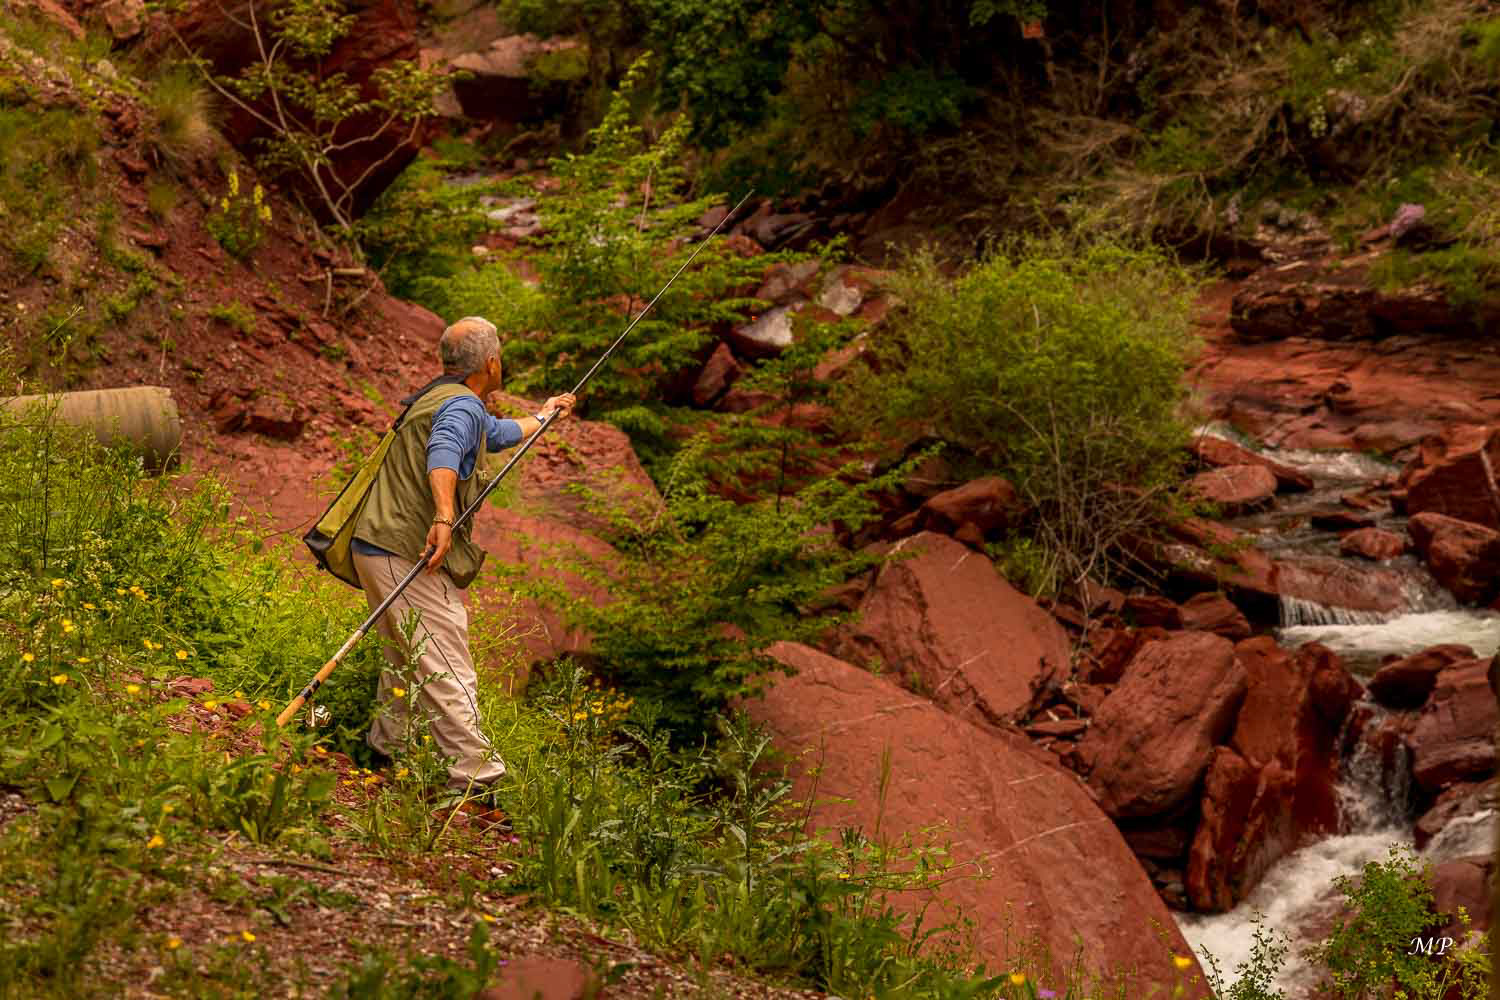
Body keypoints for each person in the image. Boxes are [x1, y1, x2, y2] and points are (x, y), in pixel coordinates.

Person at [347, 315, 575, 806]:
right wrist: (445, 517)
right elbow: (445, 448)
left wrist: (546, 414)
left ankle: (386, 754)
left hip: (375, 545)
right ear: (491, 363)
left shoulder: (442, 397)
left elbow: (494, 432)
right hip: (405, 550)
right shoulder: (460, 408)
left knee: (405, 658)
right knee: (447, 660)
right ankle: (476, 781)